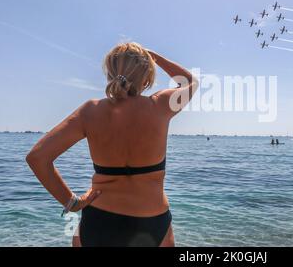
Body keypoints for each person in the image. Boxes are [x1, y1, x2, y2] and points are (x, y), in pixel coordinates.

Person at [26, 43, 198, 247]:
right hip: (152, 221)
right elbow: (190, 81)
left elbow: (37, 157)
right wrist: (154, 57)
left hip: (98, 221)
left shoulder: (90, 111)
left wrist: (72, 202)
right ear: (147, 74)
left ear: (110, 72)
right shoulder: (161, 105)